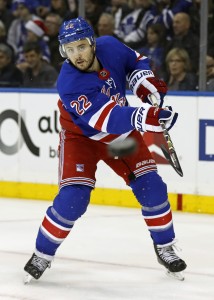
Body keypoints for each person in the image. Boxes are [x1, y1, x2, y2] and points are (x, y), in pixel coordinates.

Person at [23, 17, 187, 283]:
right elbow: (106, 119)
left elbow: (135, 63)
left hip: (121, 138)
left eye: (81, 46)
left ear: (92, 43)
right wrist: (148, 116)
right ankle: (42, 253)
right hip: (82, 139)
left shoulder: (110, 46)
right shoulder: (69, 83)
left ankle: (165, 247)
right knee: (73, 200)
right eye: (70, 49)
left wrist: (147, 88)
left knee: (152, 187)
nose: (77, 55)